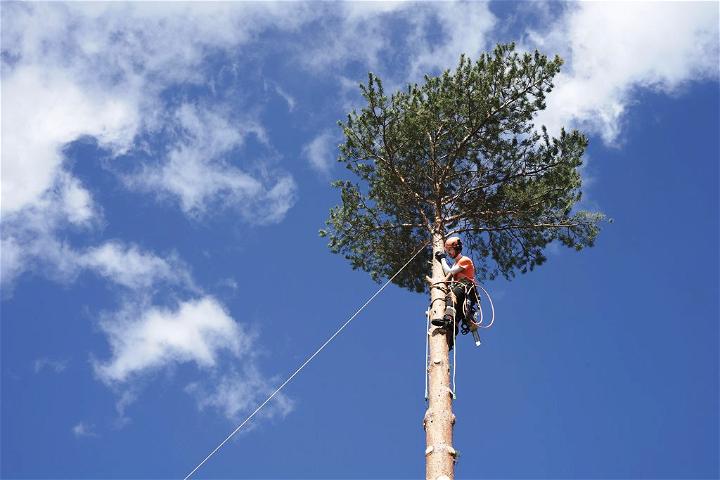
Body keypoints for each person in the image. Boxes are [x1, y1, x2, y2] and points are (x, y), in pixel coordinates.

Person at [432, 236, 479, 336]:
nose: (449, 253)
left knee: (451, 295)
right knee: (457, 315)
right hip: (461, 291)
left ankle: (448, 319)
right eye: (447, 251)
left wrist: (442, 259)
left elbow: (449, 272)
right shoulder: (454, 265)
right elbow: (448, 274)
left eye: (450, 250)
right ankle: (452, 331)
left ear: (456, 248)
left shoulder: (465, 260)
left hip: (466, 287)